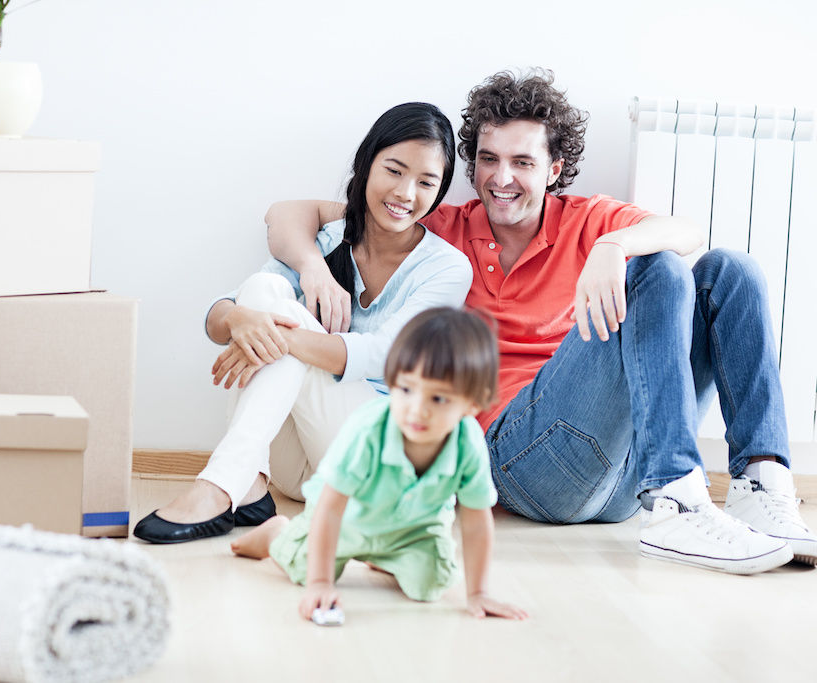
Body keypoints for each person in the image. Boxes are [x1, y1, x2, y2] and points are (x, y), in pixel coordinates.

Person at [265, 69, 817, 574]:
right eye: (488, 159)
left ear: (554, 170)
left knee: (730, 270)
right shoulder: (441, 230)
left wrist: (612, 246)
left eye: (523, 163)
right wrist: (312, 265)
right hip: (519, 458)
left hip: (622, 474)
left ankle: (759, 483)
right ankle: (675, 494)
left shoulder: (587, 219)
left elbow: (689, 231)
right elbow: (290, 212)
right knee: (661, 273)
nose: (502, 178)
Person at [132, 102, 473, 544]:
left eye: (426, 182)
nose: (406, 192)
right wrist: (241, 318)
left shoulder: (447, 268)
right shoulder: (327, 241)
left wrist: (272, 334)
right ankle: (249, 483)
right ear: (367, 165)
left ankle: (221, 486)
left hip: (371, 462)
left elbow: (380, 357)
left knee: (275, 319)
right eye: (394, 170)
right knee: (261, 291)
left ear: (440, 191)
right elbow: (222, 317)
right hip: (296, 473)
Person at [232, 308, 527, 621]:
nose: (417, 410)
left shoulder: (468, 441)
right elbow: (331, 508)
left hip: (412, 531)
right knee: (305, 568)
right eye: (406, 389)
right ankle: (278, 534)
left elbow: (477, 519)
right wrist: (320, 584)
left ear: (473, 403)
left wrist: (478, 592)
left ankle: (386, 557)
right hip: (346, 521)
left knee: (433, 584)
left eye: (438, 399)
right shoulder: (369, 429)